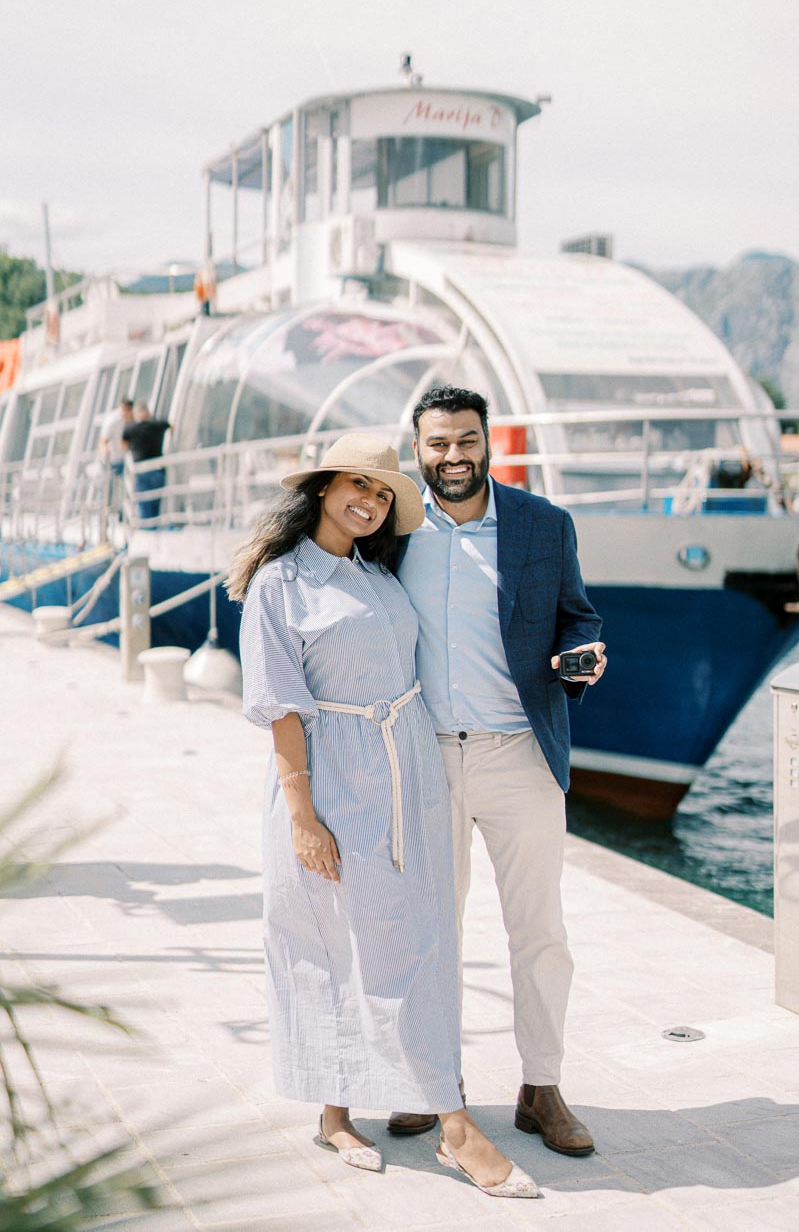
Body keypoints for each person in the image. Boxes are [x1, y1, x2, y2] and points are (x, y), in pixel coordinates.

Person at [227, 433, 538, 1198]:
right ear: (324, 486)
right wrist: (303, 815)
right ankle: (443, 1123)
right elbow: (280, 707)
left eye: (382, 494)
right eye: (356, 486)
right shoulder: (280, 585)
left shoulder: (376, 573)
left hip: (407, 773)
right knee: (334, 939)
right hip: (331, 778)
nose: (368, 502)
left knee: (411, 938)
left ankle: (381, 1105)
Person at [388, 386, 606, 1158]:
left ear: (488, 441)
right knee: (427, 929)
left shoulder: (544, 525)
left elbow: (577, 614)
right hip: (424, 754)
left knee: (539, 930)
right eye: (438, 443)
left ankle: (541, 1087)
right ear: (417, 449)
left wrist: (585, 654)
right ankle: (428, 1082)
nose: (454, 456)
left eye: (466, 440)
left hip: (521, 752)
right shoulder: (393, 528)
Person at [122, 400, 170, 522]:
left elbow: (123, 445)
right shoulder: (158, 425)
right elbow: (171, 425)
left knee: (144, 506)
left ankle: (149, 529)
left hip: (141, 471)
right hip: (158, 470)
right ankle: (154, 527)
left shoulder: (131, 429)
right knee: (155, 505)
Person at [98, 397, 133, 507]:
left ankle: (125, 515)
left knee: (129, 487)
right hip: (111, 460)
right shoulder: (113, 420)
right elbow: (103, 440)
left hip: (125, 460)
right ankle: (104, 517)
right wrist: (105, 454)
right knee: (106, 489)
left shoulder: (133, 419)